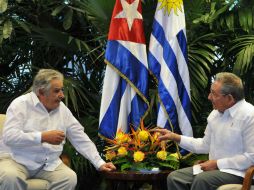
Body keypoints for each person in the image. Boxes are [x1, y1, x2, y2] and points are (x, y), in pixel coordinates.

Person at [0, 69, 116, 190]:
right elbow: (9, 137)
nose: (62, 95)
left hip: (46, 165)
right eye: (56, 91)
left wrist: (100, 163)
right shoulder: (20, 104)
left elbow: (79, 137)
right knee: (10, 177)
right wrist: (42, 137)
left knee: (69, 178)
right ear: (41, 92)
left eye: (62, 90)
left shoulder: (62, 109)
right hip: (15, 160)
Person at [154, 72, 254, 190]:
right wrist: (175, 137)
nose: (209, 97)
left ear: (230, 98)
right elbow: (204, 145)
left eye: (213, 94)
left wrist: (217, 164)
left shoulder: (249, 115)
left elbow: (251, 157)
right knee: (175, 177)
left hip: (240, 173)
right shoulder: (215, 114)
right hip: (215, 170)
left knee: (202, 180)